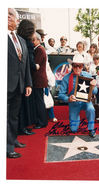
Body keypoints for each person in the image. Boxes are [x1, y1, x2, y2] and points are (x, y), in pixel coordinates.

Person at [7, 8, 32, 158]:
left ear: (17, 21)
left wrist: (28, 83)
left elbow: (25, 64)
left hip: (19, 85)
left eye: (11, 14)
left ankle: (12, 140)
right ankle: (7, 147)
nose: (7, 16)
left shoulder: (21, 40)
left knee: (14, 116)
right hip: (6, 85)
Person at [58, 54, 98, 137]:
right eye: (75, 66)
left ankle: (91, 128)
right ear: (72, 66)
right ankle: (76, 120)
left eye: (79, 66)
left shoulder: (87, 75)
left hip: (86, 102)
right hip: (74, 103)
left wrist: (93, 86)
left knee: (91, 109)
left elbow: (95, 91)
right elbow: (60, 94)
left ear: (82, 66)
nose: (77, 68)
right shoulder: (66, 78)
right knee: (73, 130)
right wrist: (68, 98)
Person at [17, 19, 39, 135]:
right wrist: (36, 66)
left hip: (17, 78)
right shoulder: (28, 43)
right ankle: (23, 127)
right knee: (25, 104)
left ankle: (21, 127)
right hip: (26, 77)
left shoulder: (18, 40)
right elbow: (29, 63)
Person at [32, 32, 48, 129]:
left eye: (34, 40)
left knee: (39, 102)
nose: (32, 41)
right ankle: (41, 121)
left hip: (39, 79)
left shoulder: (39, 49)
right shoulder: (38, 49)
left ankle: (42, 122)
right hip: (39, 79)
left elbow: (36, 65)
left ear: (39, 40)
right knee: (39, 101)